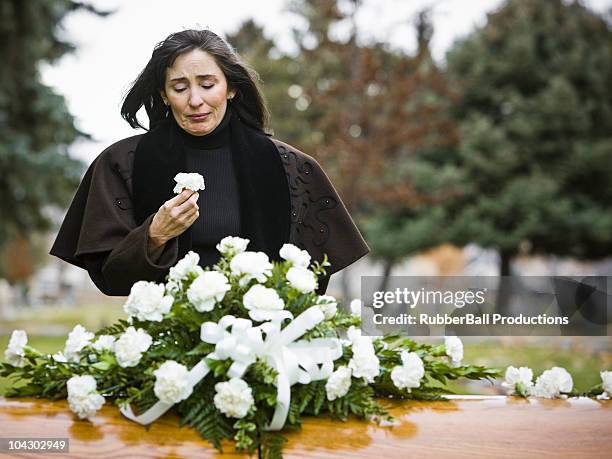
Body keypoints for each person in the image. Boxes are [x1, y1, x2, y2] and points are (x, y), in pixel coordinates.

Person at [50, 29, 368, 296]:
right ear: (163, 94)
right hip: (164, 347)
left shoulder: (290, 167)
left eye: (207, 84)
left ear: (230, 88)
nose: (195, 100)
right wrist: (154, 236)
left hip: (263, 344)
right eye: (179, 87)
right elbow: (111, 278)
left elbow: (311, 279)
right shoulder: (121, 164)